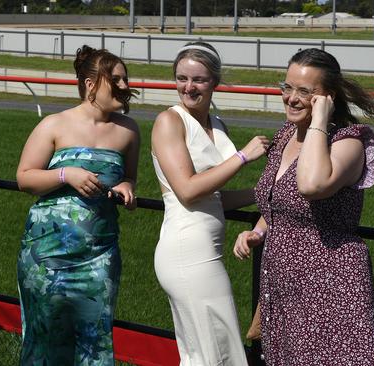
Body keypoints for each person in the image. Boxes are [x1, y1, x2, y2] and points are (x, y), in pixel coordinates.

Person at [233, 48, 374, 365]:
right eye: (287, 87)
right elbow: (279, 199)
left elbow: (311, 185)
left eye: (304, 91)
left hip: (331, 283)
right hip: (283, 283)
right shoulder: (284, 137)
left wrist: (320, 119)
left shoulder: (349, 142)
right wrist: (259, 230)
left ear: (327, 97)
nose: (291, 98)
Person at [16, 44, 140, 365]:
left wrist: (127, 186)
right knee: (43, 342)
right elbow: (25, 177)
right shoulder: (54, 125)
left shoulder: (129, 132)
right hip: (47, 257)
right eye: (117, 80)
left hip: (99, 257)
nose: (125, 87)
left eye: (126, 79)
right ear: (90, 85)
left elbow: (130, 178)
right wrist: (64, 173)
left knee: (94, 343)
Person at [151, 41, 270, 365]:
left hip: (204, 251)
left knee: (204, 354)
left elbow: (213, 198)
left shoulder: (217, 125)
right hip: (185, 252)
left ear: (214, 81)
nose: (188, 87)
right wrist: (242, 157)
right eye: (181, 78)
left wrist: (262, 193)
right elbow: (188, 191)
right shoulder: (169, 122)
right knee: (219, 352)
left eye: (198, 80)